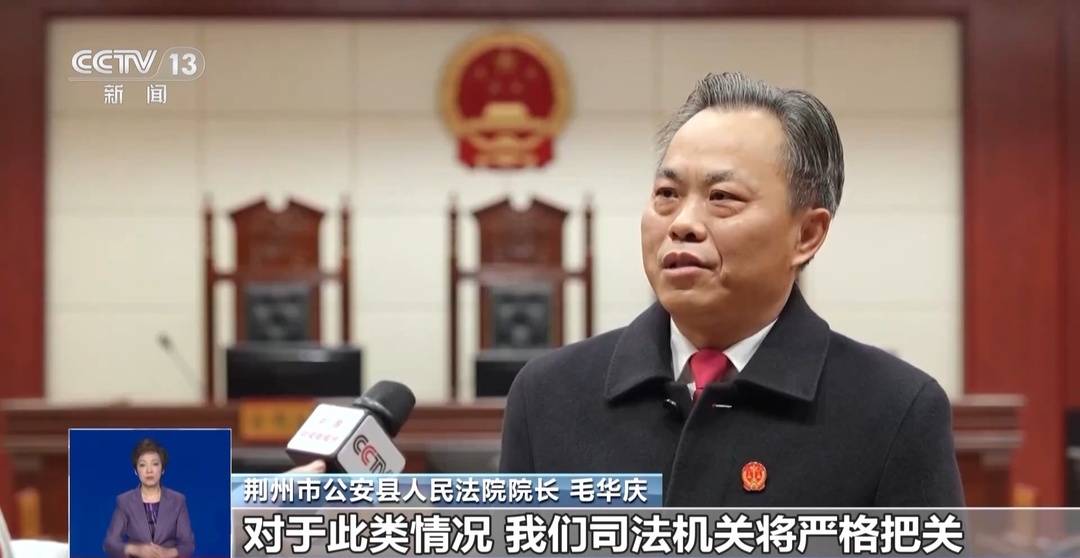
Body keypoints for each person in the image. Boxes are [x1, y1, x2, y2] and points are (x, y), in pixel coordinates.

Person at [498, 72, 964, 507]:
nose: (682, 223)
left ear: (806, 235)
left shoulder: (895, 410)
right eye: (667, 194)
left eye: (722, 198)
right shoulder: (547, 396)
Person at [104, 439, 195, 558]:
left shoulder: (178, 500)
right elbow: (110, 544)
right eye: (142, 465)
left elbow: (188, 545)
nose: (149, 470)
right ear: (135, 471)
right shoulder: (124, 501)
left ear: (163, 469)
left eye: (155, 464)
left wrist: (167, 553)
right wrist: (136, 550)